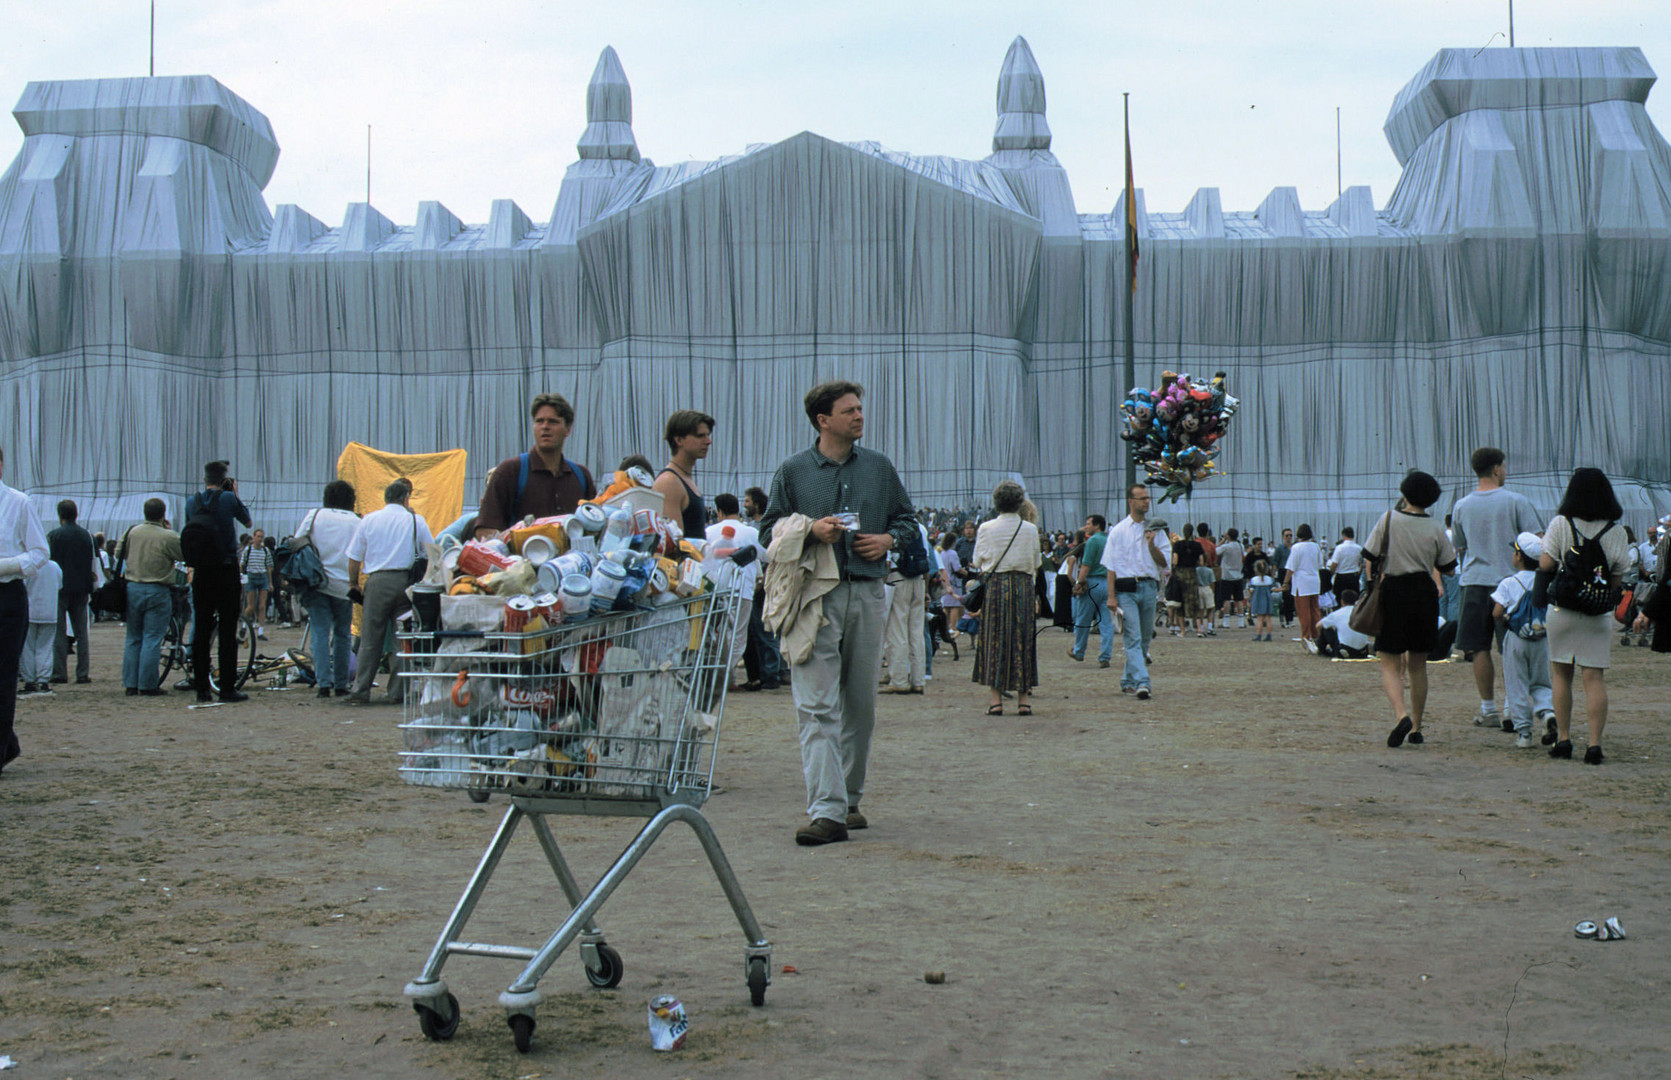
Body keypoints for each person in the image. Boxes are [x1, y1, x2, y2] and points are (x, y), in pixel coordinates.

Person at [758, 380, 914, 847]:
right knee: (816, 705)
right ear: (822, 420)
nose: (859, 416)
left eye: (860, 409)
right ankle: (826, 811)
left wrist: (888, 540)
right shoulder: (793, 472)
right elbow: (769, 531)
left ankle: (848, 799)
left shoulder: (880, 470)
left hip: (867, 593)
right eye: (849, 411)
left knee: (861, 707)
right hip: (813, 598)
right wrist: (810, 531)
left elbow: (906, 520)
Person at [1535, 468, 1632, 764]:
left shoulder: (1561, 524)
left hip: (1563, 609)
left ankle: (1564, 739)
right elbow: (1618, 577)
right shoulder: (1616, 530)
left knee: (1561, 674)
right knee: (1593, 678)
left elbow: (1545, 562)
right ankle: (1594, 745)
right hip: (1596, 612)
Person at [1450, 447, 1543, 728]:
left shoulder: (1461, 505)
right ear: (1496, 469)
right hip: (1511, 582)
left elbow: (1460, 545)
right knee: (1512, 649)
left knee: (1478, 648)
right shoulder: (1516, 501)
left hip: (1474, 581)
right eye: (1504, 466)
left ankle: (1487, 708)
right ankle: (1509, 709)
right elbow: (1537, 541)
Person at [1363, 471, 1457, 748]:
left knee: (1390, 661)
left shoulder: (1389, 519)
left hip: (1393, 591)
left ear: (1404, 493)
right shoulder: (1435, 527)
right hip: (1424, 594)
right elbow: (1449, 567)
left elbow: (1368, 554)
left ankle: (1400, 715)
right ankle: (1416, 726)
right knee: (1418, 665)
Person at [344, 478, 433, 706]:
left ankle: (361, 690)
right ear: (406, 498)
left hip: (377, 582)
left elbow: (354, 557)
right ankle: (397, 692)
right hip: (406, 583)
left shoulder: (369, 520)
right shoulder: (416, 520)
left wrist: (354, 583)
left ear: (386, 498)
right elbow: (431, 553)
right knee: (402, 639)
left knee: (370, 638)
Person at [475, 393, 596, 537]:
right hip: (521, 559)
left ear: (567, 429)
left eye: (553, 422)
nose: (545, 427)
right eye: (539, 421)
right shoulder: (510, 472)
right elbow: (485, 531)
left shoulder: (581, 476)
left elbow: (596, 527)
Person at [187, 462, 253, 703]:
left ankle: (202, 688)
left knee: (202, 630)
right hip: (226, 568)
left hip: (201, 571)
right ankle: (226, 687)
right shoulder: (227, 499)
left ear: (205, 478)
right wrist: (234, 494)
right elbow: (247, 522)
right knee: (227, 629)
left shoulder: (191, 501)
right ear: (225, 479)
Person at [972, 481, 1040, 716]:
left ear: (996, 503)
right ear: (1020, 502)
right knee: (1023, 639)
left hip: (997, 586)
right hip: (1023, 586)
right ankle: (1023, 700)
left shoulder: (986, 528)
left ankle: (996, 701)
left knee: (995, 639)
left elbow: (977, 562)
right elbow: (1035, 562)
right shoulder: (1030, 529)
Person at [1101, 483, 1171, 700]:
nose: (1146, 502)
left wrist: (1151, 546)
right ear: (1131, 502)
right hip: (1126, 589)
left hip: (1149, 586)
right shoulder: (1118, 531)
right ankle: (1143, 681)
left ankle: (1128, 680)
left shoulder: (1157, 530)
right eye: (1142, 498)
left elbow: (1165, 563)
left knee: (1144, 638)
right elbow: (1111, 567)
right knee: (1132, 636)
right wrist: (1111, 596)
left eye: (1148, 498)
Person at [297, 480, 360, 699]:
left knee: (320, 633)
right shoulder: (356, 521)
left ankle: (323, 683)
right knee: (343, 635)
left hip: (317, 583)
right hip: (344, 586)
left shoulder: (315, 515)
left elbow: (297, 542)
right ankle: (341, 684)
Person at [1491, 533, 1554, 749]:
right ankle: (1547, 712)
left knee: (1516, 684)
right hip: (1542, 639)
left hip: (1516, 638)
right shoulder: (1545, 581)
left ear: (1519, 556)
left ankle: (1524, 733)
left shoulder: (1509, 582)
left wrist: (1505, 618)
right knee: (1541, 681)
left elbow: (1497, 612)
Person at [117, 499, 183, 696]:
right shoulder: (168, 536)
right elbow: (182, 554)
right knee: (152, 638)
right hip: (157, 589)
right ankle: (147, 684)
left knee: (133, 638)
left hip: (133, 587)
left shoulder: (132, 532)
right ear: (163, 515)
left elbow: (119, 552)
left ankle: (130, 683)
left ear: (144, 512)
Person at [704, 493, 766, 691]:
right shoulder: (750, 533)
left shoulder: (709, 532)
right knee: (737, 636)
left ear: (719, 511)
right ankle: (725, 677)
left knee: (717, 635)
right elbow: (766, 555)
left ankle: (721, 677)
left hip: (715, 590)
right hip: (742, 590)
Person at [880, 515, 934, 695]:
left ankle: (899, 680)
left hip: (898, 578)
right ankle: (918, 680)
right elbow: (926, 559)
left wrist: (883, 583)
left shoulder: (890, 526)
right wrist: (926, 590)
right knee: (916, 632)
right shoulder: (920, 527)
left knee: (897, 632)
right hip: (918, 580)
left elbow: (887, 561)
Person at [48, 499, 96, 685]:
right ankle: (82, 673)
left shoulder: (53, 536)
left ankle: (59, 673)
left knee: (59, 632)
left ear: (60, 514)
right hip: (82, 588)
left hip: (60, 588)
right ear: (76, 514)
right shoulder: (87, 535)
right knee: (81, 633)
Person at [740, 486, 782, 691]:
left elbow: (770, 557)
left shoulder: (763, 528)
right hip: (759, 582)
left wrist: (763, 578)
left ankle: (772, 674)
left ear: (756, 503)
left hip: (764, 583)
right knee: (759, 629)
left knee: (765, 628)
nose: (744, 504)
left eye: (747, 501)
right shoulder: (753, 526)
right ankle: (768, 673)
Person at [654, 410, 715, 541]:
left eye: (708, 435)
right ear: (679, 440)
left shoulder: (684, 478)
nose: (708, 441)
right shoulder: (669, 483)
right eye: (700, 436)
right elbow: (674, 545)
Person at [1069, 515, 1115, 668]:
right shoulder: (1109, 540)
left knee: (1083, 619)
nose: (1086, 526)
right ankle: (1105, 655)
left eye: (1088, 524)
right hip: (1107, 583)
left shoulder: (1092, 541)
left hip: (1092, 582)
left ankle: (1079, 651)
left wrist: (1079, 583)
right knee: (1106, 623)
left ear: (1097, 526)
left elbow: (1086, 565)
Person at [21, 557, 60, 695]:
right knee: (46, 647)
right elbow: (60, 585)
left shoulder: (29, 566)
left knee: (28, 647)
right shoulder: (55, 566)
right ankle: (43, 680)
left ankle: (29, 680)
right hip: (50, 612)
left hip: (30, 611)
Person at [1284, 524, 1324, 646]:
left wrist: (1285, 581)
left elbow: (1291, 567)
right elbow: (1320, 564)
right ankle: (1316, 635)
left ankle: (1305, 635)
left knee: (1303, 610)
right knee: (1315, 609)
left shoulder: (1296, 547)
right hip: (1314, 580)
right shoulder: (1315, 546)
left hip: (1301, 582)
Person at [1316, 588, 1374, 658]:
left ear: (1342, 601)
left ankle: (1322, 650)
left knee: (1326, 629)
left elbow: (1318, 625)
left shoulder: (1337, 613)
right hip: (1363, 650)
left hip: (1345, 648)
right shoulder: (1362, 613)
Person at [241, 527, 273, 638]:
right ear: (254, 537)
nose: (260, 539)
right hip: (251, 576)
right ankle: (244, 625)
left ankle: (260, 630)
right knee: (251, 606)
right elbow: (242, 564)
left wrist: (270, 582)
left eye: (261, 537)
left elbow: (269, 567)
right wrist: (242, 577)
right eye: (258, 536)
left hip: (262, 576)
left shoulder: (265, 550)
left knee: (262, 605)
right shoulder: (248, 550)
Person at [936, 532, 965, 646]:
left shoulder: (941, 553)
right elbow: (957, 568)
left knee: (945, 606)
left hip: (943, 581)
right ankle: (953, 627)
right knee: (954, 606)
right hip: (953, 582)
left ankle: (946, 627)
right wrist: (964, 571)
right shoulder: (953, 553)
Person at [1217, 527, 1246, 628]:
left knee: (1226, 599)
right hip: (1238, 575)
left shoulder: (1226, 547)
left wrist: (1223, 540)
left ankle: (1226, 622)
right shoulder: (1240, 545)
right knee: (1239, 599)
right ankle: (1241, 622)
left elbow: (1215, 550)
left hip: (1227, 576)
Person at [1327, 526, 1364, 598]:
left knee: (1340, 599)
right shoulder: (1359, 548)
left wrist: (1330, 575)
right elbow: (1360, 564)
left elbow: (1334, 564)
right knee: (1353, 599)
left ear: (1343, 535)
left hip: (1341, 577)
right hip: (1353, 577)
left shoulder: (1339, 548)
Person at [1271, 527, 1296, 628]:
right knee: (1285, 596)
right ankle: (1286, 618)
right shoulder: (1280, 549)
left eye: (1290, 535)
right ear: (1283, 537)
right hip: (1283, 572)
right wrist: (1273, 575)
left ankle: (1290, 618)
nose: (1289, 537)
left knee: (1291, 597)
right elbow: (1275, 562)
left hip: (1293, 573)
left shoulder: (1295, 547)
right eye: (1287, 535)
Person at [1247, 559, 1276, 641]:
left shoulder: (1254, 580)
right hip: (1267, 599)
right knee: (1268, 619)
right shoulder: (1269, 579)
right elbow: (1273, 589)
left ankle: (1259, 635)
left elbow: (1251, 590)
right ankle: (1269, 635)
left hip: (1258, 600)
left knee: (1260, 619)